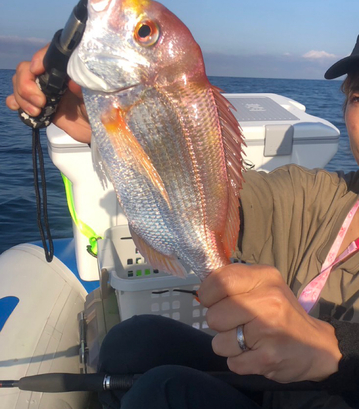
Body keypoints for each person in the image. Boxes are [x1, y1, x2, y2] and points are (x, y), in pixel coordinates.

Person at [6, 38, 359, 409]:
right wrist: (107, 130)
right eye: (358, 96)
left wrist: (334, 352)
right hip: (273, 390)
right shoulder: (325, 195)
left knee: (160, 394)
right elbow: (211, 200)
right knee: (132, 343)